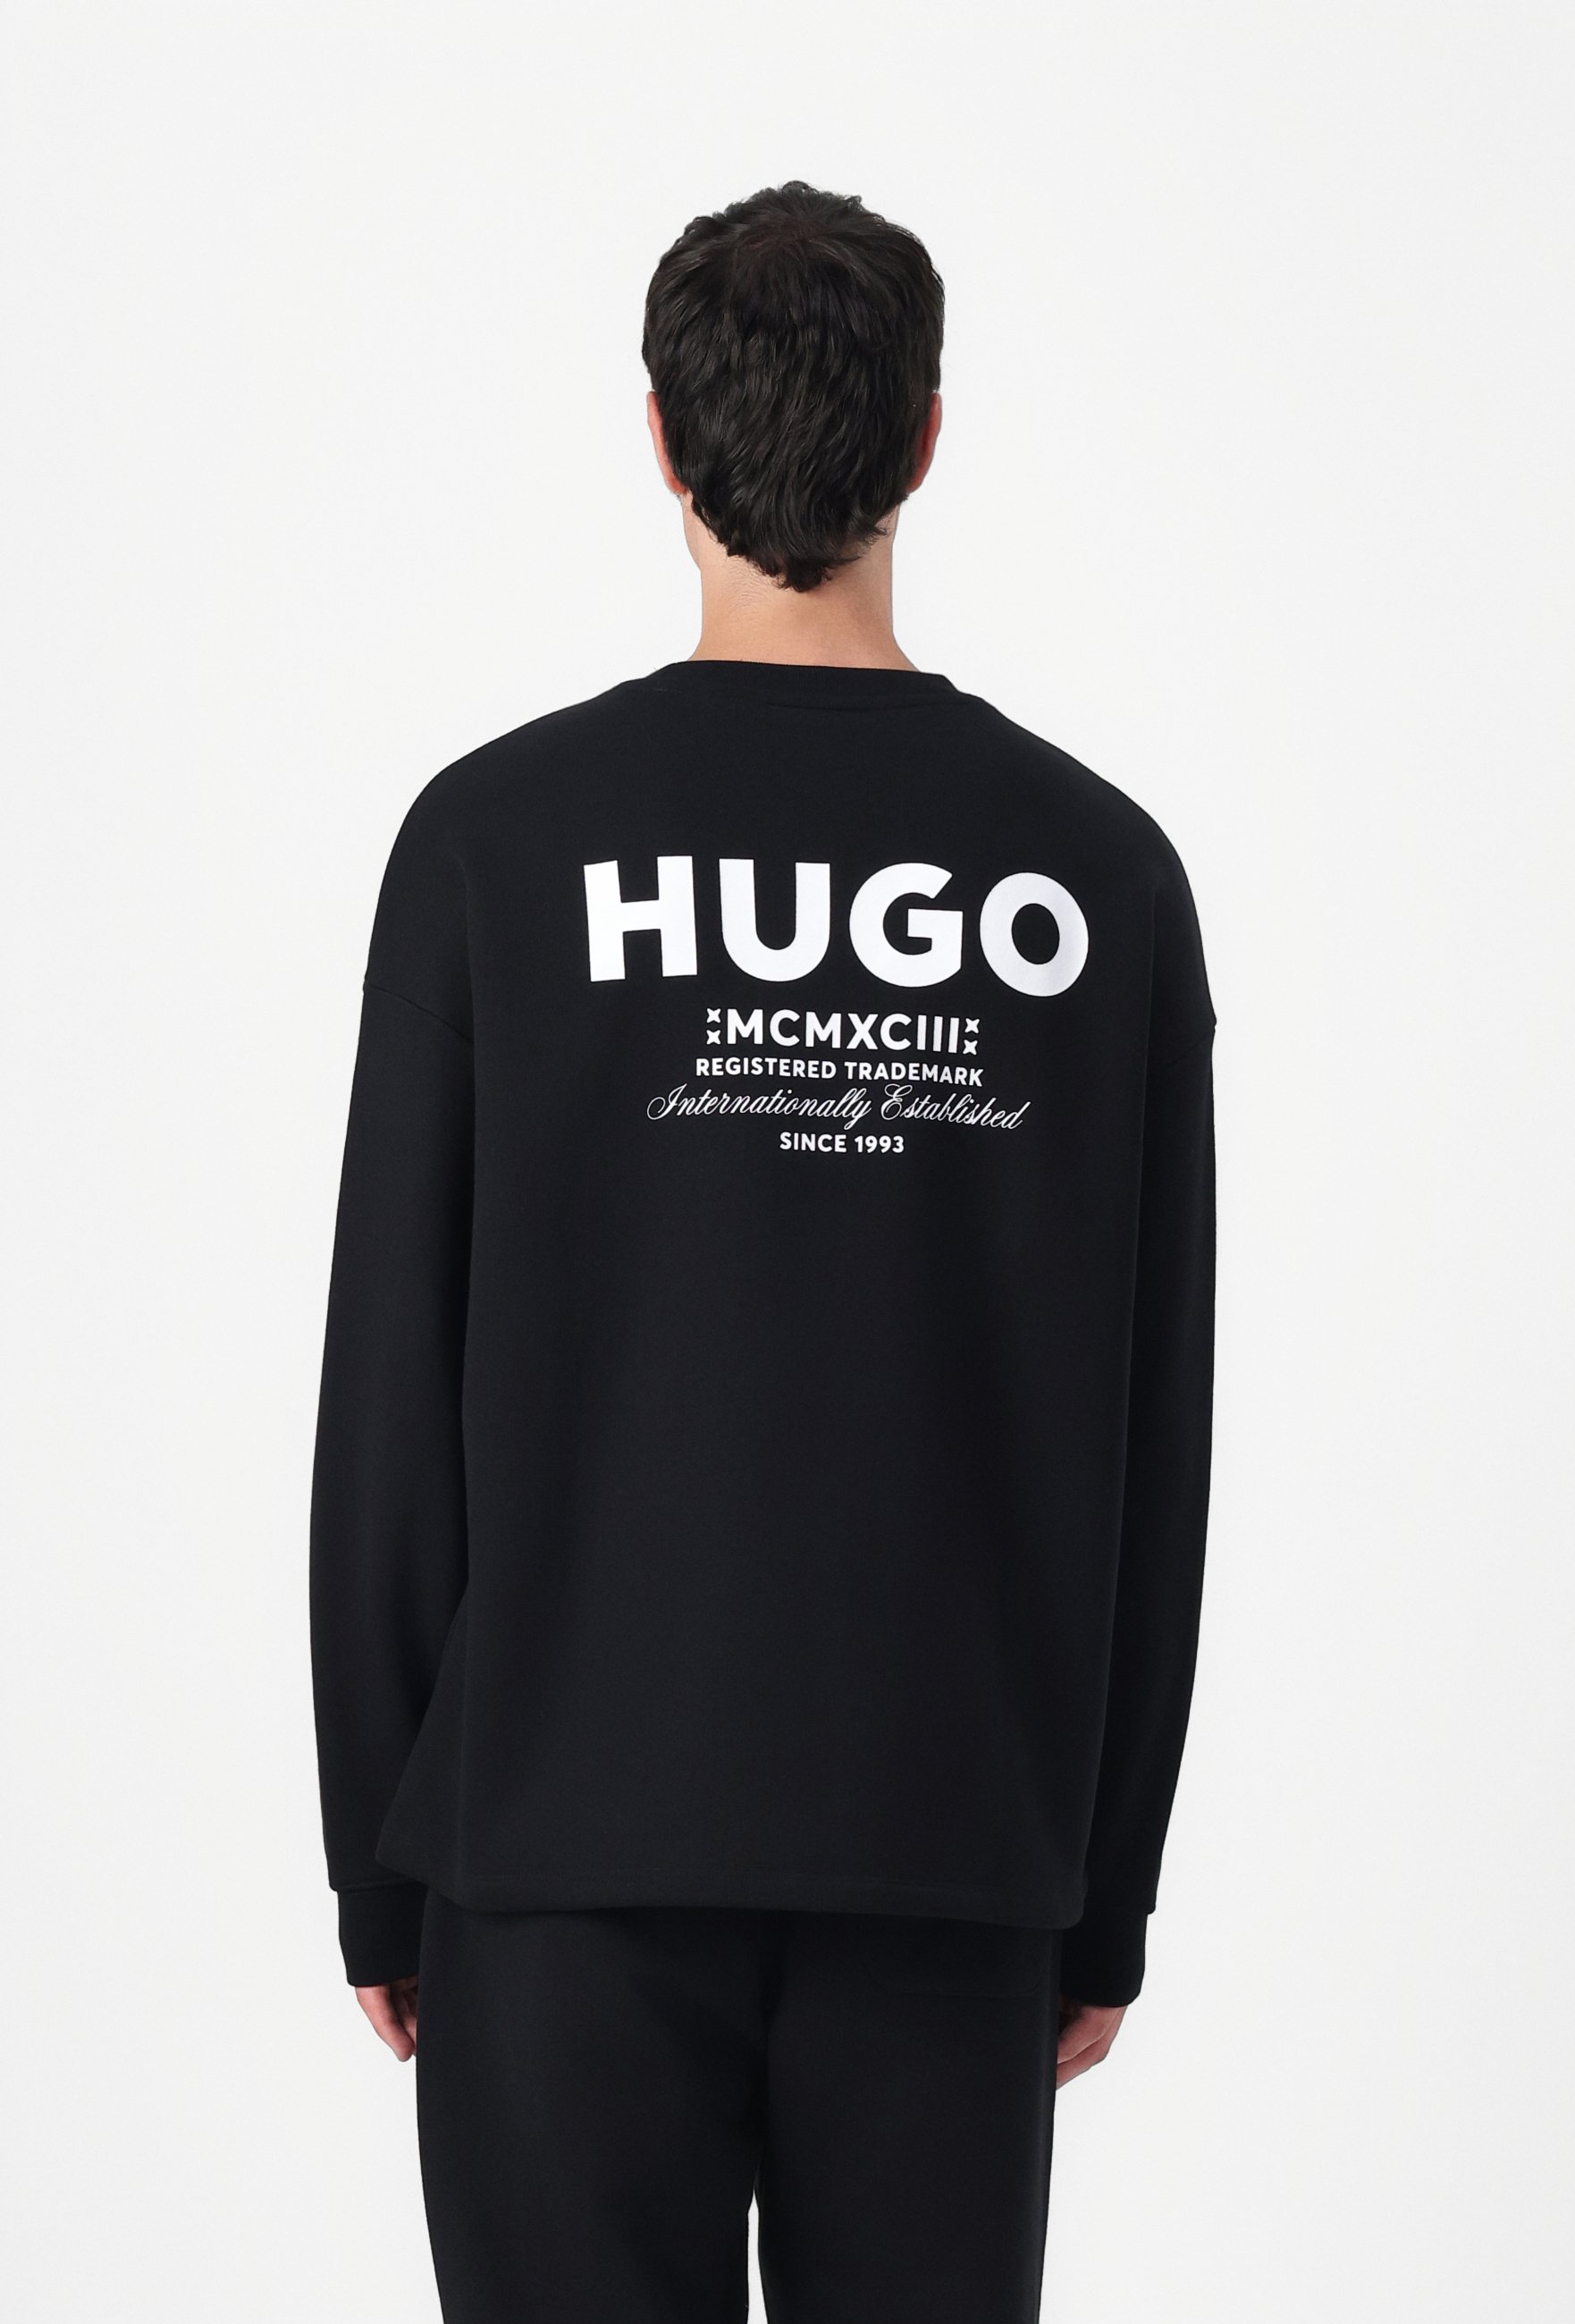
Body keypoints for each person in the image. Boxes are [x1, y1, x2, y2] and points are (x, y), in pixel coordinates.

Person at [311, 180, 1215, 2324]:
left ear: (658, 436)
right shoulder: (1095, 874)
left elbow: (390, 1393)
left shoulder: (498, 843)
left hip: (553, 1849)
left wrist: (383, 1856)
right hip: (950, 1847)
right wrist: (1098, 1885)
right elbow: (1147, 1426)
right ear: (925, 436)